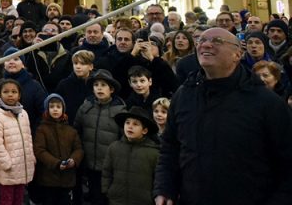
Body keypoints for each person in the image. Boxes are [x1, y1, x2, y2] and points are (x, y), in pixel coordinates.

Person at [153, 27, 292, 205]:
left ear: (237, 54)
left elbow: (287, 165)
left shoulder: (266, 103)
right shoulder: (184, 95)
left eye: (217, 41)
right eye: (201, 41)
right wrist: (164, 188)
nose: (206, 45)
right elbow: (170, 149)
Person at [74, 70, 124, 205]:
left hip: (110, 166)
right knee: (94, 198)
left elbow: (123, 139)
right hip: (89, 164)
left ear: (111, 89)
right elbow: (76, 130)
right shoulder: (86, 107)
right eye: (96, 85)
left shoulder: (120, 111)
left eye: (103, 85)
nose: (99, 88)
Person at [0, 79, 35, 205]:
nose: (10, 94)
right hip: (8, 169)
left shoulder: (23, 113)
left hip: (23, 166)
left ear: (19, 95)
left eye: (14, 91)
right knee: (6, 201)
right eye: (6, 91)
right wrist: (7, 162)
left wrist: (31, 157)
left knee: (19, 200)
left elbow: (28, 138)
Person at [102, 107, 158, 205]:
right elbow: (107, 172)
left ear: (144, 130)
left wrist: (153, 197)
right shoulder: (114, 147)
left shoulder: (154, 152)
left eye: (135, 124)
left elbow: (158, 179)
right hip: (117, 200)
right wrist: (107, 190)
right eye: (127, 123)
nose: (130, 127)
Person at [32, 94, 82, 205]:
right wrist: (56, 163)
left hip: (67, 179)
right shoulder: (42, 129)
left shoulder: (71, 130)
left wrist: (73, 160)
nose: (55, 109)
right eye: (52, 106)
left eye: (58, 107)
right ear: (47, 109)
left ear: (63, 109)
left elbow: (78, 149)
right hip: (48, 179)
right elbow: (40, 150)